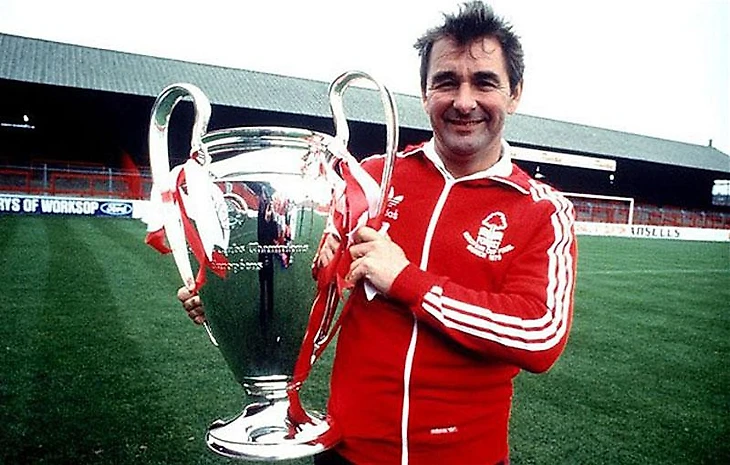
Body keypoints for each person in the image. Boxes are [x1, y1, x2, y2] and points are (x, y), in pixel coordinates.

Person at [178, 2, 577, 464]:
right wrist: (232, 297)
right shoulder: (370, 178)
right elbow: (311, 280)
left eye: (484, 82)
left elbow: (539, 335)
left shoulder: (544, 210)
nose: (464, 101)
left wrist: (406, 280)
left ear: (514, 94)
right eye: (446, 81)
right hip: (348, 452)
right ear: (424, 93)